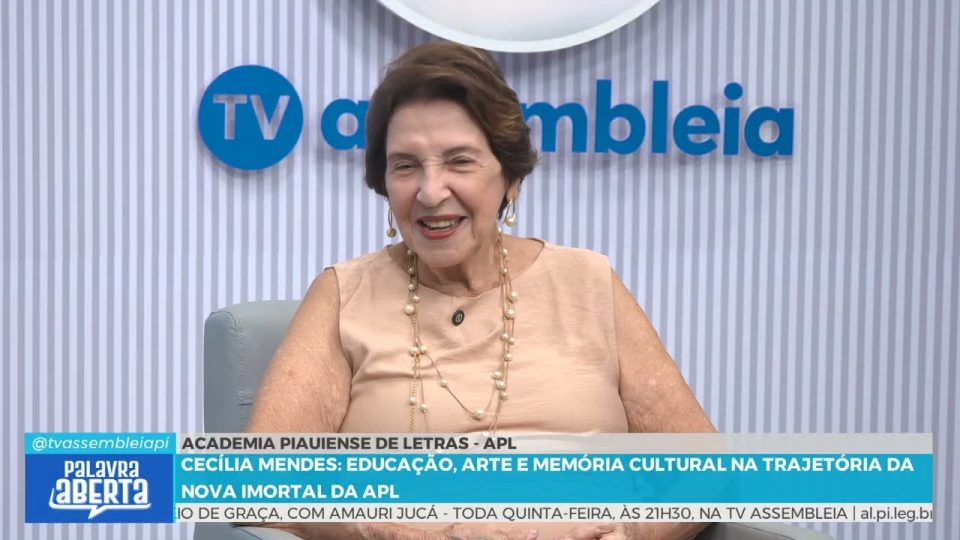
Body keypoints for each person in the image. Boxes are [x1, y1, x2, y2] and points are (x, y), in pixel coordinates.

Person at [248, 41, 716, 540]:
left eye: (459, 161)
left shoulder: (588, 281)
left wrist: (625, 532)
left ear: (510, 177)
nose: (431, 191)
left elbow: (707, 472)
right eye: (405, 165)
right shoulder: (343, 294)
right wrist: (392, 530)